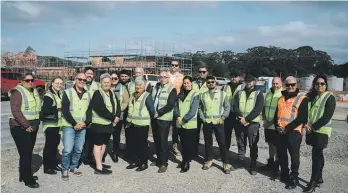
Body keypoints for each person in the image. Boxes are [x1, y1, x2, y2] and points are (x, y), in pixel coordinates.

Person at [303, 74, 336, 193]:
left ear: (326, 85)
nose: (320, 85)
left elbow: (327, 117)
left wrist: (312, 127)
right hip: (312, 130)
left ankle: (313, 181)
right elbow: (307, 112)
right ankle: (320, 177)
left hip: (322, 131)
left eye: (322, 83)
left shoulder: (329, 97)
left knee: (315, 156)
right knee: (319, 154)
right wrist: (305, 124)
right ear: (314, 85)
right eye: (317, 84)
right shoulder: (313, 97)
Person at [274, 76, 308, 190]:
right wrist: (277, 127)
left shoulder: (302, 98)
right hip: (281, 131)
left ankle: (294, 178)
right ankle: (284, 174)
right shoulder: (281, 98)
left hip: (294, 132)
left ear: (296, 85)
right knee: (282, 154)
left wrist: (286, 128)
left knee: (294, 156)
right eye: (288, 85)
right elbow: (276, 115)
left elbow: (302, 118)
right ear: (285, 85)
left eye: (292, 84)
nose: (290, 87)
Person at [9, 72, 41, 188]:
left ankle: (24, 174)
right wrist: (26, 125)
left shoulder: (34, 91)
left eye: (32, 80)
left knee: (27, 152)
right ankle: (28, 179)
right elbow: (15, 110)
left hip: (32, 126)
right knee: (26, 153)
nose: (30, 82)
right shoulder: (17, 92)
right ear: (22, 81)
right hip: (20, 127)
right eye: (27, 80)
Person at [60, 73, 92, 181]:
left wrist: (86, 123)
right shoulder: (68, 92)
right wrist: (74, 124)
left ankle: (73, 167)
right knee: (68, 149)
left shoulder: (87, 94)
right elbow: (65, 111)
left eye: (84, 80)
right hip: (69, 125)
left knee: (78, 149)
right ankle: (65, 169)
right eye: (80, 79)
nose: (82, 81)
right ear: (75, 79)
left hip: (82, 126)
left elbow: (89, 110)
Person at [199, 75, 232, 174]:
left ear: (215, 82)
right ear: (206, 83)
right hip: (207, 122)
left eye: (212, 82)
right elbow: (200, 108)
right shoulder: (203, 95)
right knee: (208, 143)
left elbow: (227, 107)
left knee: (222, 143)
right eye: (208, 82)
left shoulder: (222, 94)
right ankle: (209, 160)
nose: (210, 84)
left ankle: (225, 163)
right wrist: (202, 118)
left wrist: (223, 117)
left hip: (219, 122)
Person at [233, 74, 264, 175]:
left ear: (254, 82)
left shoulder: (258, 94)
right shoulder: (239, 93)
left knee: (253, 144)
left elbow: (258, 109)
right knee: (241, 142)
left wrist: (247, 119)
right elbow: (235, 106)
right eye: (247, 81)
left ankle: (253, 164)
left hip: (252, 124)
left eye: (250, 81)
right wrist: (241, 118)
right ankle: (240, 161)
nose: (248, 83)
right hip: (240, 122)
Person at [90, 73, 121, 175]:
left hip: (108, 125)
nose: (107, 84)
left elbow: (117, 106)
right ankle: (99, 168)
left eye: (108, 82)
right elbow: (100, 109)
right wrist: (113, 117)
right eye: (104, 82)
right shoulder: (97, 93)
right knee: (98, 145)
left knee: (104, 145)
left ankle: (99, 162)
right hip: (99, 125)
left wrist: (117, 115)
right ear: (101, 83)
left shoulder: (111, 93)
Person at [126, 77, 155, 172]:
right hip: (132, 123)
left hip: (142, 124)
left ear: (144, 86)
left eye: (140, 85)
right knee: (133, 144)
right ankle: (135, 161)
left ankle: (143, 163)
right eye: (137, 85)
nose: (138, 87)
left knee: (142, 145)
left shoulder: (147, 96)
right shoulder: (133, 95)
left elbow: (152, 110)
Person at [151, 70, 177, 173]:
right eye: (161, 77)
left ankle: (164, 163)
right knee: (156, 140)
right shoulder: (156, 87)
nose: (162, 79)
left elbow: (170, 105)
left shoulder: (172, 89)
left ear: (168, 78)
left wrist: (159, 112)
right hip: (154, 118)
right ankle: (159, 160)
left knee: (163, 141)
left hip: (164, 118)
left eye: (165, 77)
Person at [176, 76, 199, 173]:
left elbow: (193, 111)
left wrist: (184, 119)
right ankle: (184, 159)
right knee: (183, 143)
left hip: (190, 124)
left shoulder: (195, 94)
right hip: (180, 123)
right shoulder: (181, 94)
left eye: (188, 83)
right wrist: (177, 116)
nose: (186, 85)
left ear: (192, 83)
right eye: (184, 83)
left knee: (188, 145)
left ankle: (186, 162)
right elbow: (176, 107)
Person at [41, 77, 64, 175]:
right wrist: (57, 107)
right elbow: (46, 109)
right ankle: (47, 167)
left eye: (60, 83)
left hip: (57, 124)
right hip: (50, 125)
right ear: (52, 84)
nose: (59, 85)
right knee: (49, 146)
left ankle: (53, 164)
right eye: (57, 83)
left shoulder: (59, 94)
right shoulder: (48, 95)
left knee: (55, 145)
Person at [260, 77, 282, 177]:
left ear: (281, 84)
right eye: (273, 83)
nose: (275, 85)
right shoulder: (268, 94)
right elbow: (264, 107)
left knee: (278, 146)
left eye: (277, 83)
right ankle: (270, 163)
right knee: (270, 144)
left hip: (276, 125)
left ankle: (277, 168)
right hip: (267, 124)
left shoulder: (282, 94)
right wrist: (264, 118)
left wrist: (274, 122)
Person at [223, 70, 245, 154]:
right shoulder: (225, 87)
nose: (233, 78)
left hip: (238, 115)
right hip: (228, 115)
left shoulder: (243, 87)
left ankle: (240, 156)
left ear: (239, 77)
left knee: (240, 137)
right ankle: (225, 154)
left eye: (235, 76)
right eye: (232, 76)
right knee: (226, 136)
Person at [111, 69, 131, 162]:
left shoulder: (125, 87)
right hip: (115, 116)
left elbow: (126, 101)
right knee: (116, 135)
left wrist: (119, 111)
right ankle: (115, 152)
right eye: (121, 76)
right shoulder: (112, 86)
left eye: (125, 76)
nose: (123, 78)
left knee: (128, 134)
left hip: (125, 114)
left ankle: (128, 152)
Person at [82, 67, 100, 165]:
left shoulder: (97, 85)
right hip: (82, 115)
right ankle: (83, 156)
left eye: (91, 74)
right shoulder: (80, 83)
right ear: (84, 74)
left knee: (92, 138)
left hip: (94, 115)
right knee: (82, 138)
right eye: (88, 73)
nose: (89, 75)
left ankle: (91, 157)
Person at [168, 60, 184, 156]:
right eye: (172, 65)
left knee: (176, 127)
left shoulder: (181, 77)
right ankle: (164, 147)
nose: (174, 66)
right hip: (166, 103)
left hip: (177, 103)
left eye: (176, 65)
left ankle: (175, 146)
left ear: (179, 66)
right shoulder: (165, 75)